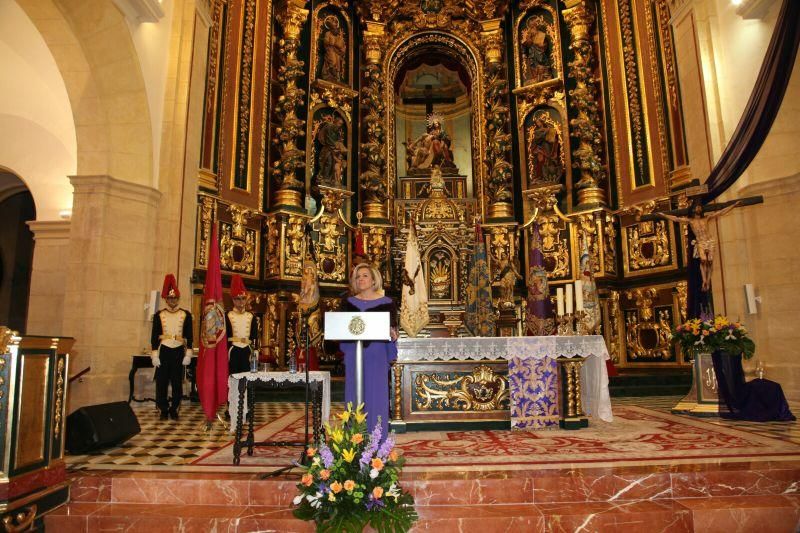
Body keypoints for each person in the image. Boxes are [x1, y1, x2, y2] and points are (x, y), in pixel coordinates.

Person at [339, 263, 398, 435]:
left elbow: (392, 330)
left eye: (365, 275)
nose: (361, 279)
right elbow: (342, 328)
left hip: (376, 354)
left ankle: (377, 444)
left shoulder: (387, 303)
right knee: (353, 396)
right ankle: (352, 444)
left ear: (374, 280)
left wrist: (392, 333)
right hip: (354, 354)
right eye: (357, 277)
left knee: (376, 396)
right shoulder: (348, 302)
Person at [658, 200, 740, 292]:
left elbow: (721, 213)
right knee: (704, 260)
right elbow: (676, 219)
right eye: (697, 207)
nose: (699, 208)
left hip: (709, 241)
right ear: (693, 210)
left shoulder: (706, 218)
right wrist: (664, 215)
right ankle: (704, 280)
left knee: (710, 261)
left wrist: (733, 205)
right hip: (700, 242)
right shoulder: (691, 221)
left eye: (700, 207)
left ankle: (707, 281)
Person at [151, 274, 193, 421]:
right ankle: (162, 409)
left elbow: (190, 337)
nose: (172, 300)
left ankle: (174, 408)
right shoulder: (159, 315)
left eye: (174, 298)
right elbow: (154, 336)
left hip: (178, 351)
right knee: (161, 382)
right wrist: (154, 355)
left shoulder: (186, 315)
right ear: (165, 299)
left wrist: (188, 354)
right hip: (164, 350)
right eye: (169, 298)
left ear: (178, 298)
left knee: (177, 382)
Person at [225, 274, 257, 375]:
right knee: (232, 377)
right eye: (238, 299)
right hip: (233, 350)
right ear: (233, 300)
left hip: (247, 350)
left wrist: (255, 350)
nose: (241, 302)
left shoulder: (251, 316)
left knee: (247, 377)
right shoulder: (227, 315)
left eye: (243, 298)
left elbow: (254, 335)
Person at [316, 114, 346, 187]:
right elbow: (328, 138)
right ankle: (325, 178)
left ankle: (331, 179)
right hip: (327, 149)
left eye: (341, 124)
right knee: (328, 162)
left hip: (334, 151)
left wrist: (340, 147)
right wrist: (335, 145)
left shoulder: (338, 131)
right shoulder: (329, 126)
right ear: (335, 122)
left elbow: (339, 140)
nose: (340, 126)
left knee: (333, 165)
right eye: (339, 123)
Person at [320, 15, 346, 83]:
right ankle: (329, 73)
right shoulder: (328, 33)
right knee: (333, 61)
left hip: (337, 52)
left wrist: (340, 47)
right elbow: (325, 41)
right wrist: (330, 43)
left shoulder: (339, 37)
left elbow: (342, 46)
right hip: (330, 49)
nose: (335, 30)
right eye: (333, 28)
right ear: (331, 28)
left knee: (338, 64)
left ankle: (336, 77)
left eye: (336, 28)